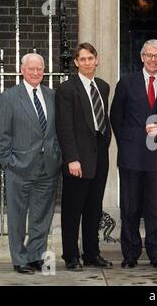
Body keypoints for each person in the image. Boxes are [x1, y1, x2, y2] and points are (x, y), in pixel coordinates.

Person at [0, 53, 62, 274]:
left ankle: (36, 256)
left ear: (44, 70)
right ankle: (19, 259)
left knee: (42, 217)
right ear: (22, 70)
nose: (35, 73)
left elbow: (58, 132)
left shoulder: (52, 95)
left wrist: (57, 157)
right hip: (19, 168)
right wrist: (7, 162)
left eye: (39, 69)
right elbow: (2, 134)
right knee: (17, 216)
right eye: (31, 69)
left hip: (48, 167)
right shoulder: (10, 97)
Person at [110, 39, 157, 268]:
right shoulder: (126, 83)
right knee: (130, 208)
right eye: (149, 55)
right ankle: (130, 254)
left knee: (156, 209)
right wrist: (127, 142)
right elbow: (116, 117)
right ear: (142, 57)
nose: (153, 60)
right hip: (131, 157)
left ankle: (156, 254)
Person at [55, 42, 113, 271]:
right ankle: (71, 256)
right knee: (72, 209)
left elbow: (103, 120)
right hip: (77, 157)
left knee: (94, 208)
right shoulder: (67, 89)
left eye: (91, 58)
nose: (88, 62)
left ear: (96, 60)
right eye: (83, 59)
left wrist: (105, 143)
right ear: (76, 62)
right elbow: (64, 127)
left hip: (99, 155)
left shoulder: (103, 86)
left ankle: (92, 253)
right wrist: (72, 158)